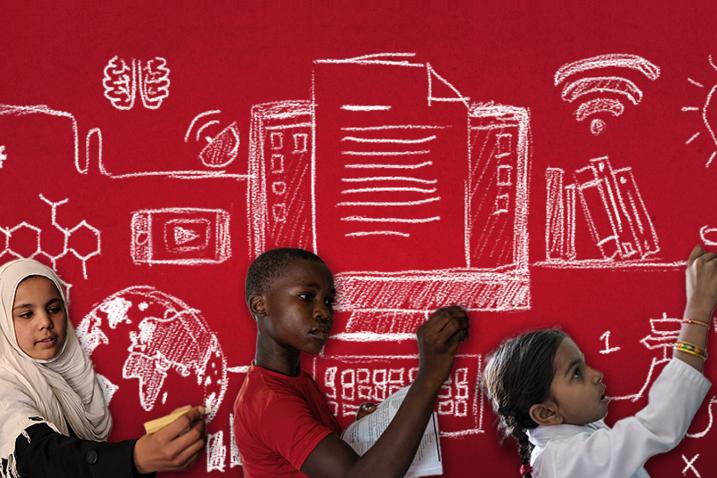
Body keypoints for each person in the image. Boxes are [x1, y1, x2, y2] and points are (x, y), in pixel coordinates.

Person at [482, 245, 716, 477]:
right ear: (546, 413)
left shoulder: (573, 439)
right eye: (576, 373)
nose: (596, 374)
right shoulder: (567, 460)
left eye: (583, 366)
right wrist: (698, 311)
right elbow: (657, 425)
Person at [233, 248, 469, 478]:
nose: (323, 312)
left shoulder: (296, 381)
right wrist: (429, 377)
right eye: (306, 297)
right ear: (259, 305)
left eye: (328, 301)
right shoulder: (271, 403)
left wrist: (360, 431)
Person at [0, 258, 206, 478]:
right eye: (26, 314)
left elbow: (81, 460)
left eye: (53, 309)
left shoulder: (72, 379)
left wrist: (158, 441)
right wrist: (135, 458)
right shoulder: (5, 389)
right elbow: (40, 458)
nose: (45, 322)